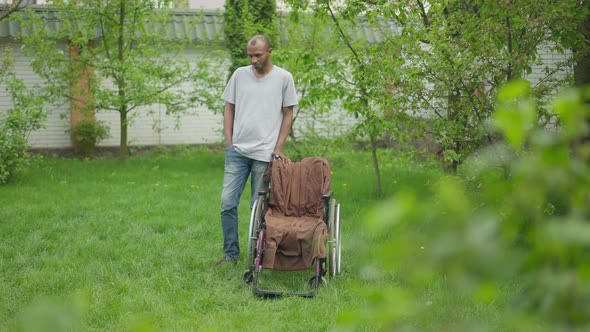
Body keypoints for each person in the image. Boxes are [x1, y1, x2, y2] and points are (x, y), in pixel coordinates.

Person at [216, 35, 298, 267]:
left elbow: (288, 113)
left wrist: (278, 148)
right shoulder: (239, 75)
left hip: (265, 154)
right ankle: (231, 255)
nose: (253, 60)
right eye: (250, 55)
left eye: (258, 55)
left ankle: (256, 257)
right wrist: (229, 142)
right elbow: (229, 107)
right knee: (227, 203)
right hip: (238, 152)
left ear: (270, 51)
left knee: (257, 208)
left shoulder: (284, 78)